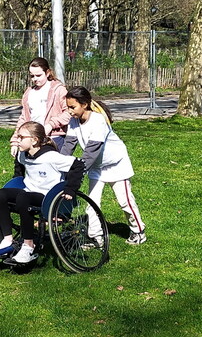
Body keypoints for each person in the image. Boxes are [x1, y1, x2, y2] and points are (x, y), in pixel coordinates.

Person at [61, 86, 147, 245]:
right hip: (96, 167)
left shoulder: (98, 120)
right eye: (68, 107)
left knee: (125, 201)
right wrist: (57, 164)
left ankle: (138, 231)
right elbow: (68, 146)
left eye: (72, 107)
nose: (69, 111)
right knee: (92, 203)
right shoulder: (73, 122)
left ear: (84, 104)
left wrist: (77, 173)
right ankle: (96, 237)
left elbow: (92, 151)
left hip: (116, 164)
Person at [0, 121, 85, 264]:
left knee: (23, 198)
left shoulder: (51, 157)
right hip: (28, 192)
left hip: (48, 196)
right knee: (0, 194)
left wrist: (71, 189)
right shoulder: (23, 155)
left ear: (34, 140)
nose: (17, 140)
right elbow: (19, 164)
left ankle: (28, 245)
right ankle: (7, 239)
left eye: (21, 137)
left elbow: (78, 164)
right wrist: (17, 177)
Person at [9, 57, 71, 157]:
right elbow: (24, 118)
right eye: (32, 76)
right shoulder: (29, 92)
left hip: (53, 137)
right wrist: (15, 141)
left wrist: (51, 125)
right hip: (33, 139)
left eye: (38, 75)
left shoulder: (59, 90)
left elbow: (69, 113)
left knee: (54, 170)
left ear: (47, 73)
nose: (35, 79)